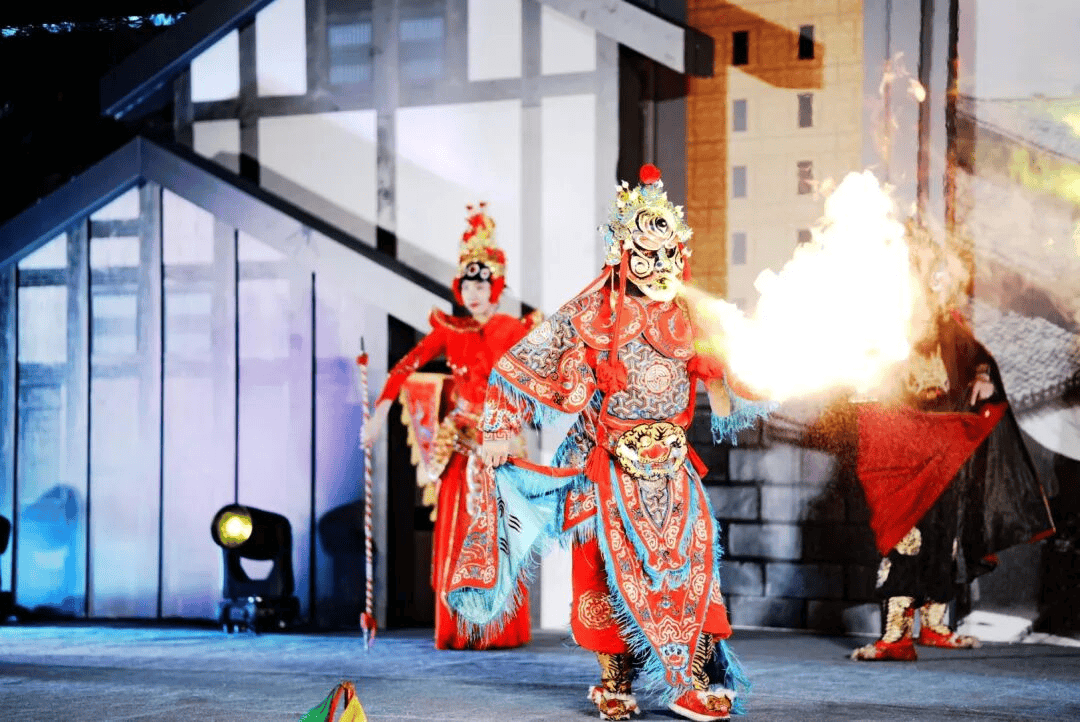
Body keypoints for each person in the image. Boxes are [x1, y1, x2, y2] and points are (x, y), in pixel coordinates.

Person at [446, 166, 774, 721]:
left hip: (671, 471)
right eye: (646, 255)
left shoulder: (695, 314)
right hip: (605, 467)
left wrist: (740, 371)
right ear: (622, 254)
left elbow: (734, 392)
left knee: (690, 562)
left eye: (668, 253)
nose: (659, 266)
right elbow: (520, 364)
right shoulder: (592, 312)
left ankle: (690, 678)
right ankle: (615, 681)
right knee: (602, 571)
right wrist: (499, 429)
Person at [849, 240, 1055, 661]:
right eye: (931, 277)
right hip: (903, 445)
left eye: (942, 278)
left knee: (948, 534)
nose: (938, 285)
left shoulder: (951, 324)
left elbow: (980, 358)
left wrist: (984, 377)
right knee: (905, 535)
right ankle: (895, 634)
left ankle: (936, 624)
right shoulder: (885, 320)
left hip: (948, 446)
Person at [362, 203, 538, 650]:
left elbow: (536, 383)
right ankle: (460, 628)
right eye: (467, 284)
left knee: (499, 534)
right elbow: (405, 367)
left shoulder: (512, 330)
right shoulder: (450, 331)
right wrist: (380, 413)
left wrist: (510, 427)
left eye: (482, 284)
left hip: (500, 446)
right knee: (460, 534)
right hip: (460, 446)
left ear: (496, 287)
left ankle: (497, 628)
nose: (473, 293)